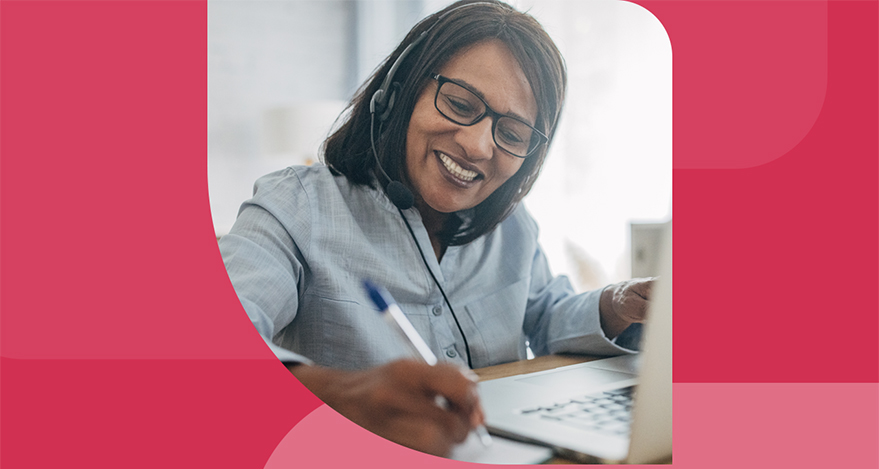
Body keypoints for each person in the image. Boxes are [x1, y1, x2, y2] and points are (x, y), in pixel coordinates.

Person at [218, 0, 653, 457]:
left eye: (512, 134)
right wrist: (340, 394)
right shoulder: (296, 206)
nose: (478, 145)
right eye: (461, 104)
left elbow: (545, 315)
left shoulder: (513, 228)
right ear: (399, 92)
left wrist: (617, 303)